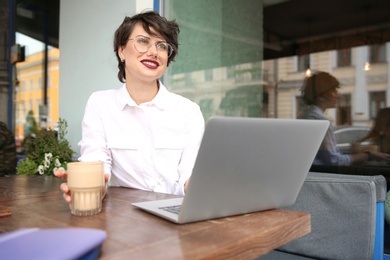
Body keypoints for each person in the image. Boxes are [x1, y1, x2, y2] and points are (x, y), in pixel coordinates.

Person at [55, 11, 205, 203]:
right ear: (122, 51)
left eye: (162, 46)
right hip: (123, 217)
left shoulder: (188, 111)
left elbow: (188, 175)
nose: (153, 52)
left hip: (173, 214)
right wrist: (92, 186)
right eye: (143, 41)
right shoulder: (100, 104)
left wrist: (207, 184)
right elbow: (96, 162)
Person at [299, 71, 390, 166]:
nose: (338, 96)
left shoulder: (305, 117)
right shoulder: (321, 121)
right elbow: (334, 161)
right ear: (320, 93)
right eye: (333, 91)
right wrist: (368, 155)